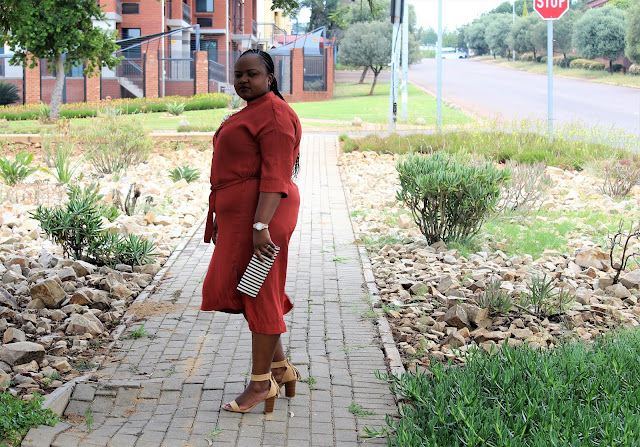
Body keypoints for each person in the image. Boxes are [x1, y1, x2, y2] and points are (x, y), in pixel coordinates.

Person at [201, 49, 301, 414]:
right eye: (238, 74)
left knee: (260, 292)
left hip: (264, 219)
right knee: (250, 290)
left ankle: (261, 384)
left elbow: (276, 176)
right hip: (246, 218)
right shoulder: (254, 111)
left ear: (269, 78)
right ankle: (280, 368)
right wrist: (222, 216)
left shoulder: (274, 114)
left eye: (252, 74)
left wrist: (260, 226)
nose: (243, 80)